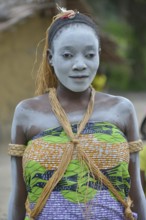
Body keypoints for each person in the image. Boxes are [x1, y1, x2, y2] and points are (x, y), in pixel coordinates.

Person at [8, 5, 146, 220]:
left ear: (99, 55)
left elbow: (136, 192)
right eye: (68, 55)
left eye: (89, 54)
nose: (80, 64)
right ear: (51, 58)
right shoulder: (27, 112)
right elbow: (18, 197)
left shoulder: (121, 109)